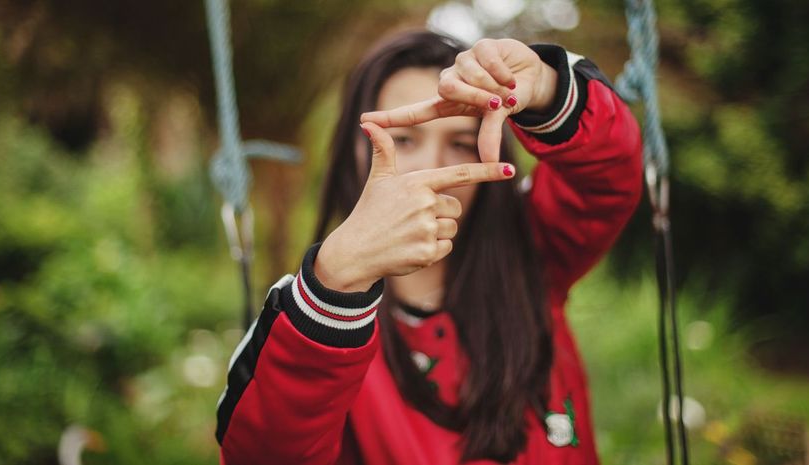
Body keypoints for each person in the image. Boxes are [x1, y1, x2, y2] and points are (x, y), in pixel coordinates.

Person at [215, 30, 642, 465]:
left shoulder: (537, 249)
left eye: (460, 143)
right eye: (403, 139)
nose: (432, 167)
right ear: (352, 153)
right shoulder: (311, 320)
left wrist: (548, 89)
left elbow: (608, 176)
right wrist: (336, 283)